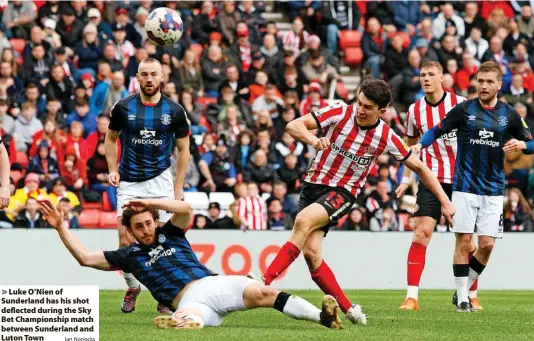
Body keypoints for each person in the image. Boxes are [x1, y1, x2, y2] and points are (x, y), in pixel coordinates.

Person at [259, 79, 455, 324]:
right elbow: (293, 125)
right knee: (311, 254)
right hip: (312, 186)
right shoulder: (340, 111)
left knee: (303, 220)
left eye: (368, 107)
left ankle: (261, 282)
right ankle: (350, 309)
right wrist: (314, 140)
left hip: (342, 192)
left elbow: (420, 168)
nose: (360, 110)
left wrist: (445, 201)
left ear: (382, 111)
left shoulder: (385, 135)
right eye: (360, 103)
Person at [39, 198, 342, 330]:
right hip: (187, 299)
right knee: (191, 318)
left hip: (214, 284)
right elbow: (84, 258)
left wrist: (152, 203)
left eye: (148, 223)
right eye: (139, 227)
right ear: (130, 231)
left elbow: (184, 208)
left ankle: (323, 317)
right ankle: (182, 323)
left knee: (264, 293)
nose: (146, 230)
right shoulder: (128, 255)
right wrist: (60, 227)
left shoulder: (170, 232)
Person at [413, 61, 534, 312]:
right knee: (464, 241)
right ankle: (462, 299)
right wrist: (419, 146)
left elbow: (532, 144)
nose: (483, 85)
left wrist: (521, 145)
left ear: (500, 85)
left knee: (487, 245)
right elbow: (436, 131)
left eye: (489, 81)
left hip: (493, 189)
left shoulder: (509, 114)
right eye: (480, 81)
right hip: (465, 186)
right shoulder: (463, 110)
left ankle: (464, 288)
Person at [105, 58, 190, 315]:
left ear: (162, 77)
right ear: (138, 78)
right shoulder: (123, 107)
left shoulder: (174, 111)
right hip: (130, 181)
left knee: (164, 238)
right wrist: (112, 169)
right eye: (145, 74)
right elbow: (110, 140)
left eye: (154, 74)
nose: (150, 78)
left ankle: (165, 297)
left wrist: (178, 187)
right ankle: (132, 286)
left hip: (160, 180)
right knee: (124, 238)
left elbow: (184, 149)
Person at [395, 60, 475, 311]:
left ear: (443, 78)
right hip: (430, 178)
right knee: (421, 233)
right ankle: (411, 297)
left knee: (466, 241)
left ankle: (470, 294)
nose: (426, 78)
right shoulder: (414, 110)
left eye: (431, 74)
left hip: (462, 180)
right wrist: (407, 178)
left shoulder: (461, 105)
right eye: (423, 75)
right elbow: (409, 147)